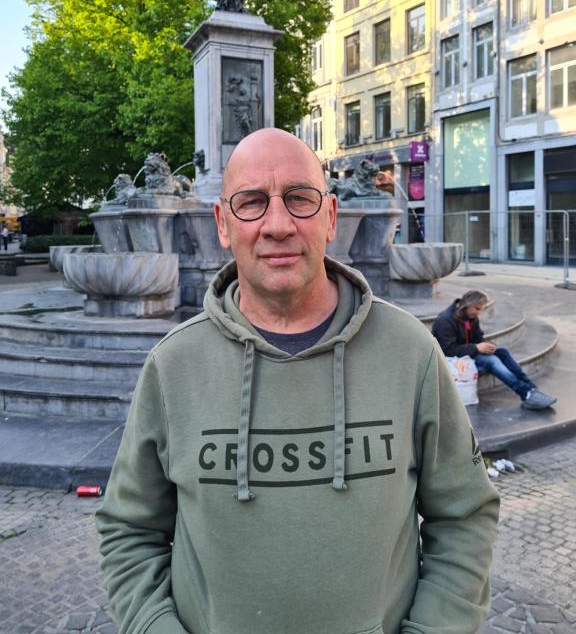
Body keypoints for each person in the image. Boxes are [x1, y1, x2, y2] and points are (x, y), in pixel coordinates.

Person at [97, 129, 500, 634]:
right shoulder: (173, 364)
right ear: (222, 224)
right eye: (251, 203)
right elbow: (129, 529)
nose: (278, 224)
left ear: (330, 216)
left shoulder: (411, 351)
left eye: (299, 199)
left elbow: (464, 515)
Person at [432, 290, 557, 410]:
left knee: (502, 353)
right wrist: (476, 347)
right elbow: (447, 350)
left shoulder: (469, 315)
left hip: (467, 353)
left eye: (481, 309)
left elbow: (477, 337)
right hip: (451, 360)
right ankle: (525, 393)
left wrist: (486, 345)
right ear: (466, 305)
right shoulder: (445, 320)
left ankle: (531, 389)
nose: (479, 312)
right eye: (477, 308)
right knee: (491, 361)